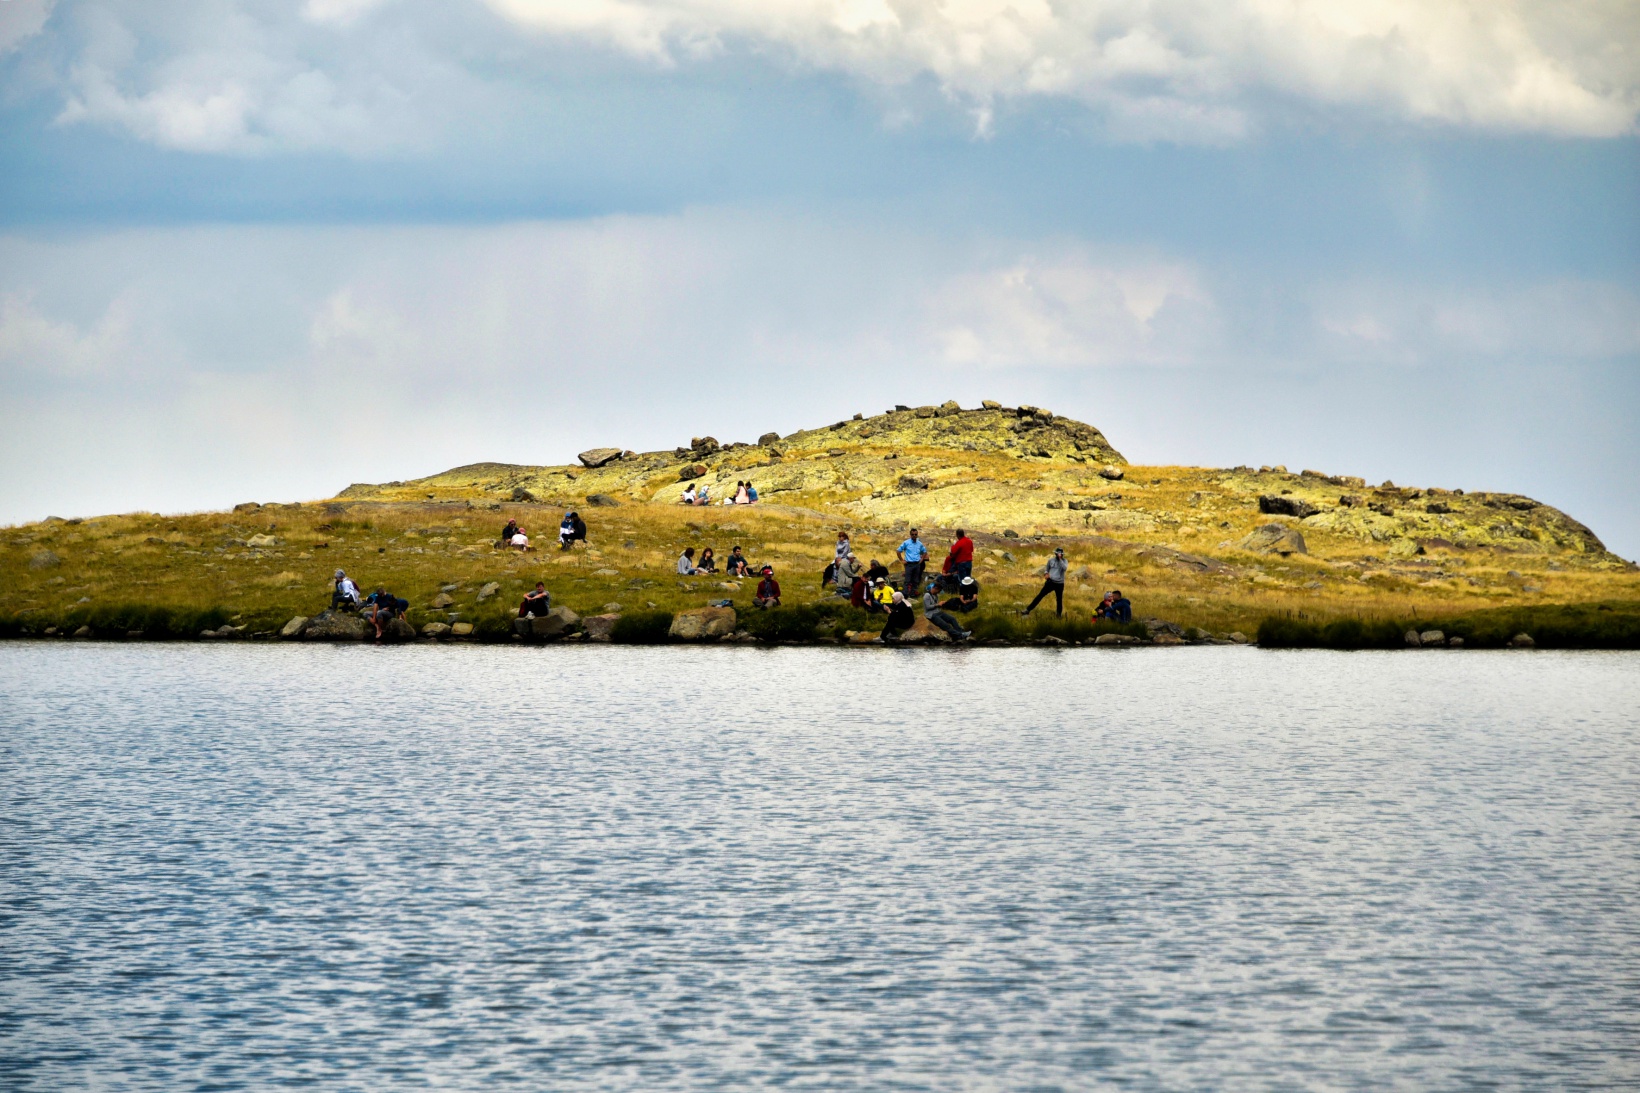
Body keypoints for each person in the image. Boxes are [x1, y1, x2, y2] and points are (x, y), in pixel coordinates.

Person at [1023, 547, 1069, 617]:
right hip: (1050, 582)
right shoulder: (1051, 560)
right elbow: (1047, 569)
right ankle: (1028, 609)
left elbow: (1064, 568)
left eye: (1061, 554)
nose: (1059, 555)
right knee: (1040, 596)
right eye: (1058, 554)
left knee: (1059, 600)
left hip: (1059, 584)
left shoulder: (1064, 561)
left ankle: (1058, 615)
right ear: (1055, 554)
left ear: (1062, 554)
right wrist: (1046, 573)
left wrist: (1060, 560)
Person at [897, 528, 929, 595]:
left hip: (917, 564)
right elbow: (898, 551)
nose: (914, 536)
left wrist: (922, 559)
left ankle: (913, 593)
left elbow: (924, 551)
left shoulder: (919, 544)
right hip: (909, 564)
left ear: (917, 534)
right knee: (907, 580)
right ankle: (905, 594)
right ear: (910, 535)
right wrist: (902, 560)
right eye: (912, 534)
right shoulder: (906, 543)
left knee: (915, 580)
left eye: (915, 534)